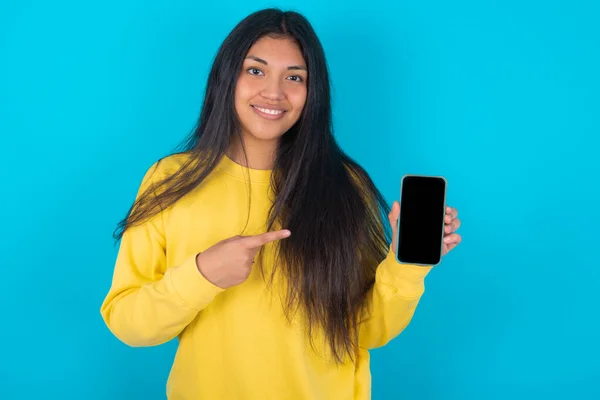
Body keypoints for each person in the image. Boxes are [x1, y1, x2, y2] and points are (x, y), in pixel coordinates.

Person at [100, 7, 462, 400]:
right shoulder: (170, 180)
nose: (274, 92)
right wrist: (202, 274)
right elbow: (128, 323)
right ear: (227, 77)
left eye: (294, 77)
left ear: (313, 92)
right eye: (255, 70)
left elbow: (366, 330)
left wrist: (405, 266)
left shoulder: (345, 185)